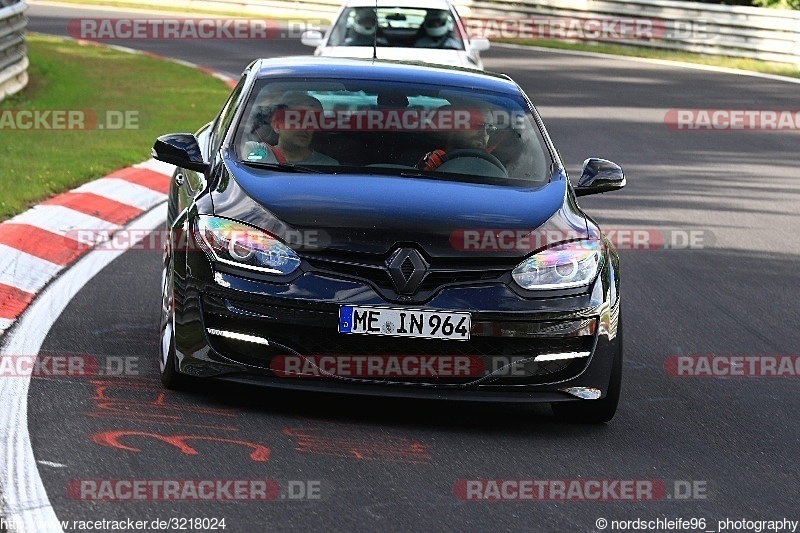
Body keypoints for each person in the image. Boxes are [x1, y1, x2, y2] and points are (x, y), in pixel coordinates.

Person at [243, 92, 338, 166]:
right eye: (296, 119)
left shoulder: (329, 165)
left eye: (310, 121)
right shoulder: (257, 152)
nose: (304, 126)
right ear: (277, 125)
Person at [416, 107, 498, 171]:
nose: (484, 133)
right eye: (476, 125)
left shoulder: (497, 172)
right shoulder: (413, 161)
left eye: (489, 128)